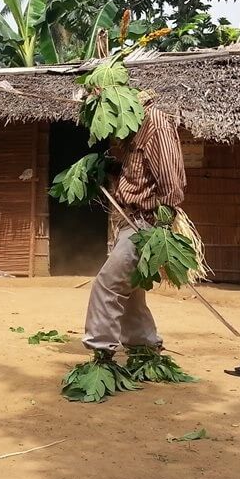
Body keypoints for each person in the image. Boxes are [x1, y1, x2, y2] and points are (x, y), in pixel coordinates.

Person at [82, 104, 186, 360]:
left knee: (108, 286)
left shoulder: (156, 124)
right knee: (131, 289)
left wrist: (160, 227)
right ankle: (144, 347)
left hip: (145, 223)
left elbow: (172, 185)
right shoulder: (136, 127)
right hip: (131, 219)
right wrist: (115, 170)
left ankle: (101, 351)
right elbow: (141, 175)